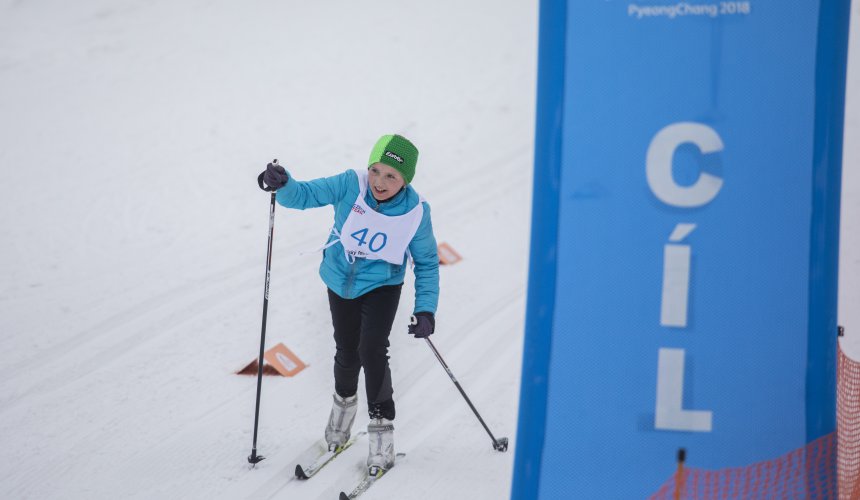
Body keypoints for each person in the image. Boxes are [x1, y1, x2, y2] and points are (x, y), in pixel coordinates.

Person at [260, 134, 439, 474]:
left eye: (392, 176)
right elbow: (304, 195)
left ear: (406, 180)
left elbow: (427, 262)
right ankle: (339, 425)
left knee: (372, 349)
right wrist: (282, 184)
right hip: (339, 279)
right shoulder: (350, 184)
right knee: (346, 351)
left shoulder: (416, 212)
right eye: (376, 170)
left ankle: (381, 435)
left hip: (383, 285)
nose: (380, 182)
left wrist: (426, 308)